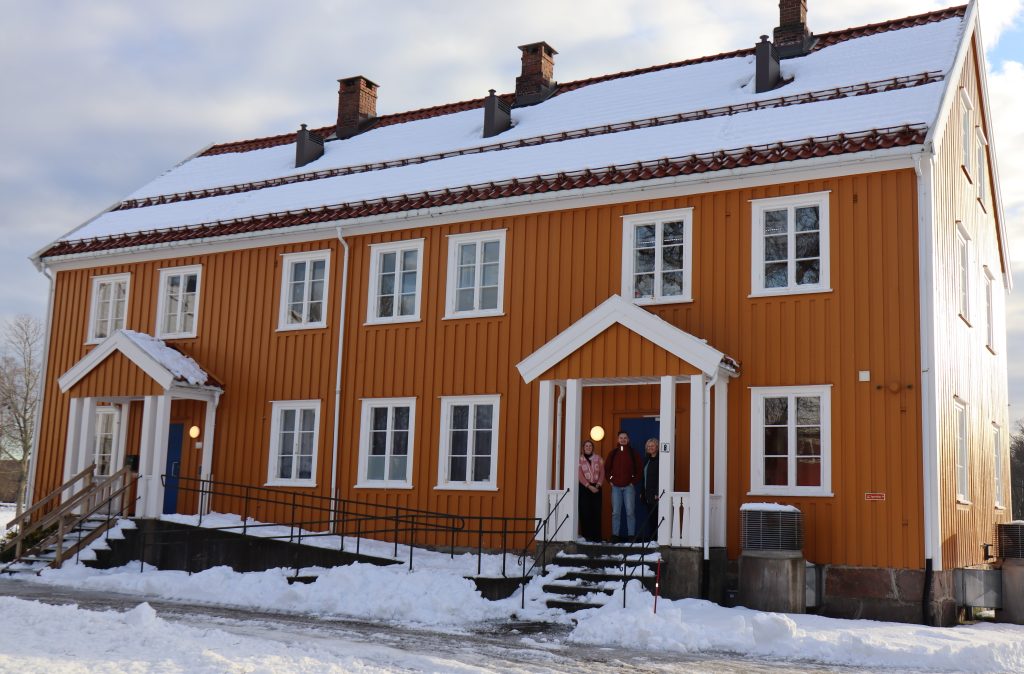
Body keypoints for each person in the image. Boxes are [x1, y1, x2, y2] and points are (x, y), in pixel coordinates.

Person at [605, 431, 641, 542]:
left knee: (630, 512)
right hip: (615, 487)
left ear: (628, 440)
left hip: (628, 487)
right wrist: (610, 480)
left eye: (625, 438)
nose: (623, 440)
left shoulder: (633, 453)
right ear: (618, 439)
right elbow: (607, 469)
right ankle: (615, 535)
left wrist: (633, 482)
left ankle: (631, 536)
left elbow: (639, 469)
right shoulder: (613, 453)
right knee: (616, 512)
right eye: (621, 438)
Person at [577, 440, 604, 542]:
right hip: (585, 488)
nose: (588, 447)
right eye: (586, 446)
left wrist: (598, 484)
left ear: (593, 448)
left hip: (597, 487)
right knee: (585, 512)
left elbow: (602, 472)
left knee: (596, 512)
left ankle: (596, 537)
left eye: (590, 446)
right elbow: (579, 474)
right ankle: (586, 536)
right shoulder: (579, 459)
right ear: (583, 448)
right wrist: (589, 486)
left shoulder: (598, 458)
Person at [640, 438, 660, 542]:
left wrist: (657, 492)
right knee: (650, 516)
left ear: (657, 447)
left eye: (652, 446)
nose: (650, 448)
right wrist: (642, 492)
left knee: (655, 517)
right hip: (647, 493)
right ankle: (651, 538)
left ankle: (655, 538)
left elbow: (660, 478)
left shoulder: (660, 460)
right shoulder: (646, 460)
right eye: (648, 446)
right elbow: (643, 478)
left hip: (655, 494)